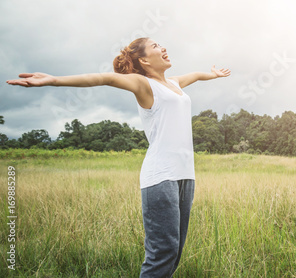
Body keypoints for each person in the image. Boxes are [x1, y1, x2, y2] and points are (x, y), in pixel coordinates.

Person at [6, 37, 231, 277]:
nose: (163, 48)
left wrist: (213, 75)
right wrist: (54, 80)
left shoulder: (174, 84)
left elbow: (195, 75)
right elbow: (104, 78)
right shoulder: (143, 84)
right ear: (144, 60)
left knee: (174, 252)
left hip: (185, 175)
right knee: (162, 253)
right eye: (156, 46)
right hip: (161, 176)